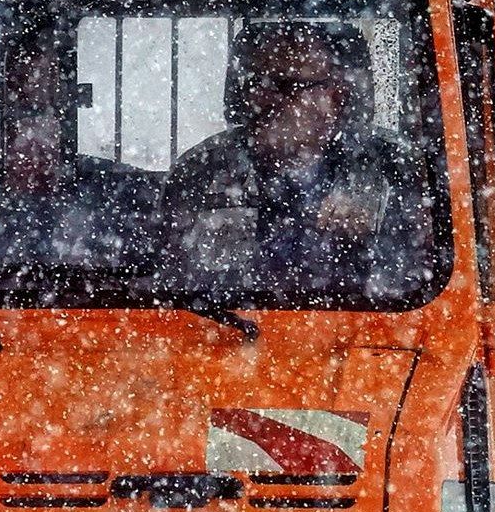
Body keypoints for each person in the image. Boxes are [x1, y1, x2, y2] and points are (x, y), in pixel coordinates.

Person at [166, 22, 436, 302]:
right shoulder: (201, 171)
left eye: (285, 85)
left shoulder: (394, 170)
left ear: (335, 97)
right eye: (253, 82)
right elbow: (170, 293)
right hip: (225, 336)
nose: (260, 97)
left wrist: (368, 244)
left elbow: (426, 293)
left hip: (359, 337)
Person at [0, 35, 157, 281]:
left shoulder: (107, 192)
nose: (35, 142)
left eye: (45, 86)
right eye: (22, 112)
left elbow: (134, 271)